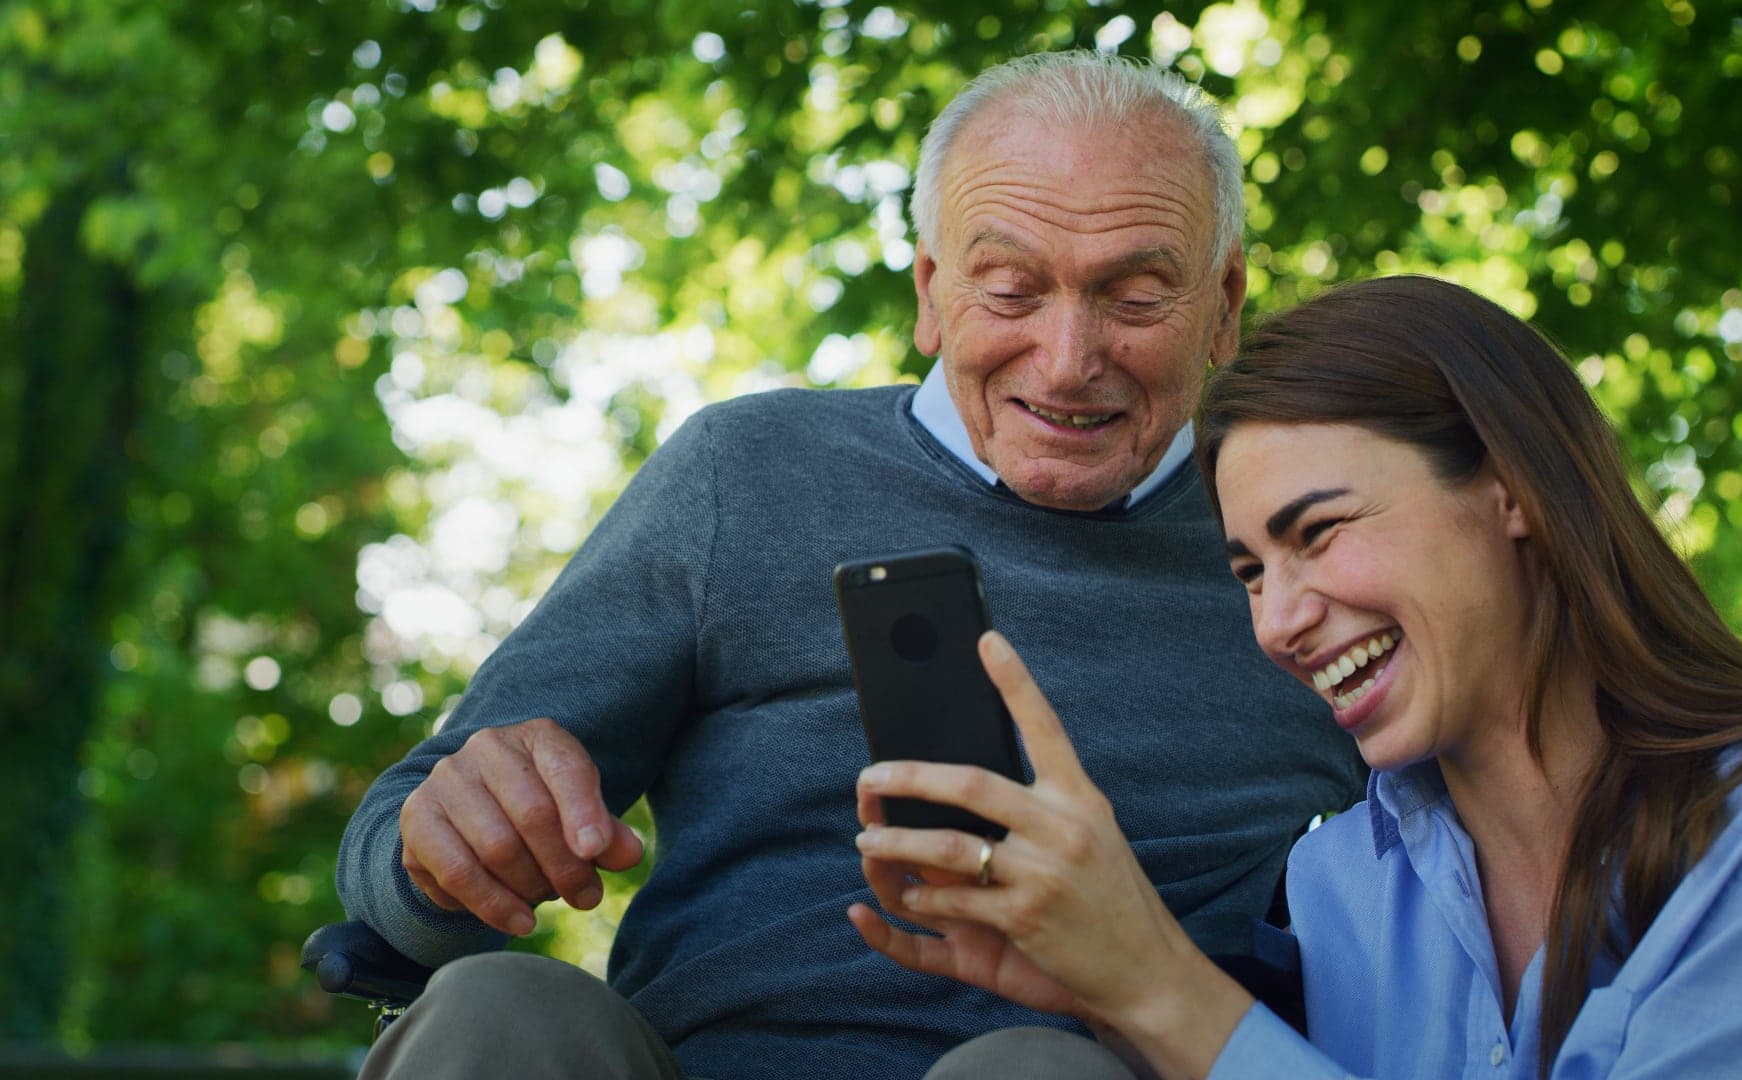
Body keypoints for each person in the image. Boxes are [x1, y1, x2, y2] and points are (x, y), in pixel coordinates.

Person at [335, 52, 1365, 1079]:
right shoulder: (745, 473)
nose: (1066, 357)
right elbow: (401, 852)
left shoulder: (1302, 550)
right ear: (930, 291)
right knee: (499, 1007)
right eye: (1009, 290)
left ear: (1225, 304)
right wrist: (438, 858)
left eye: (1135, 298)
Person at [851, 274, 1742, 1078]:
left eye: (1317, 532)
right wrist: (1109, 1001)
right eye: (1250, 572)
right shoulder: (1343, 885)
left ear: (1514, 494)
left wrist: (1158, 982)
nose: (1279, 620)